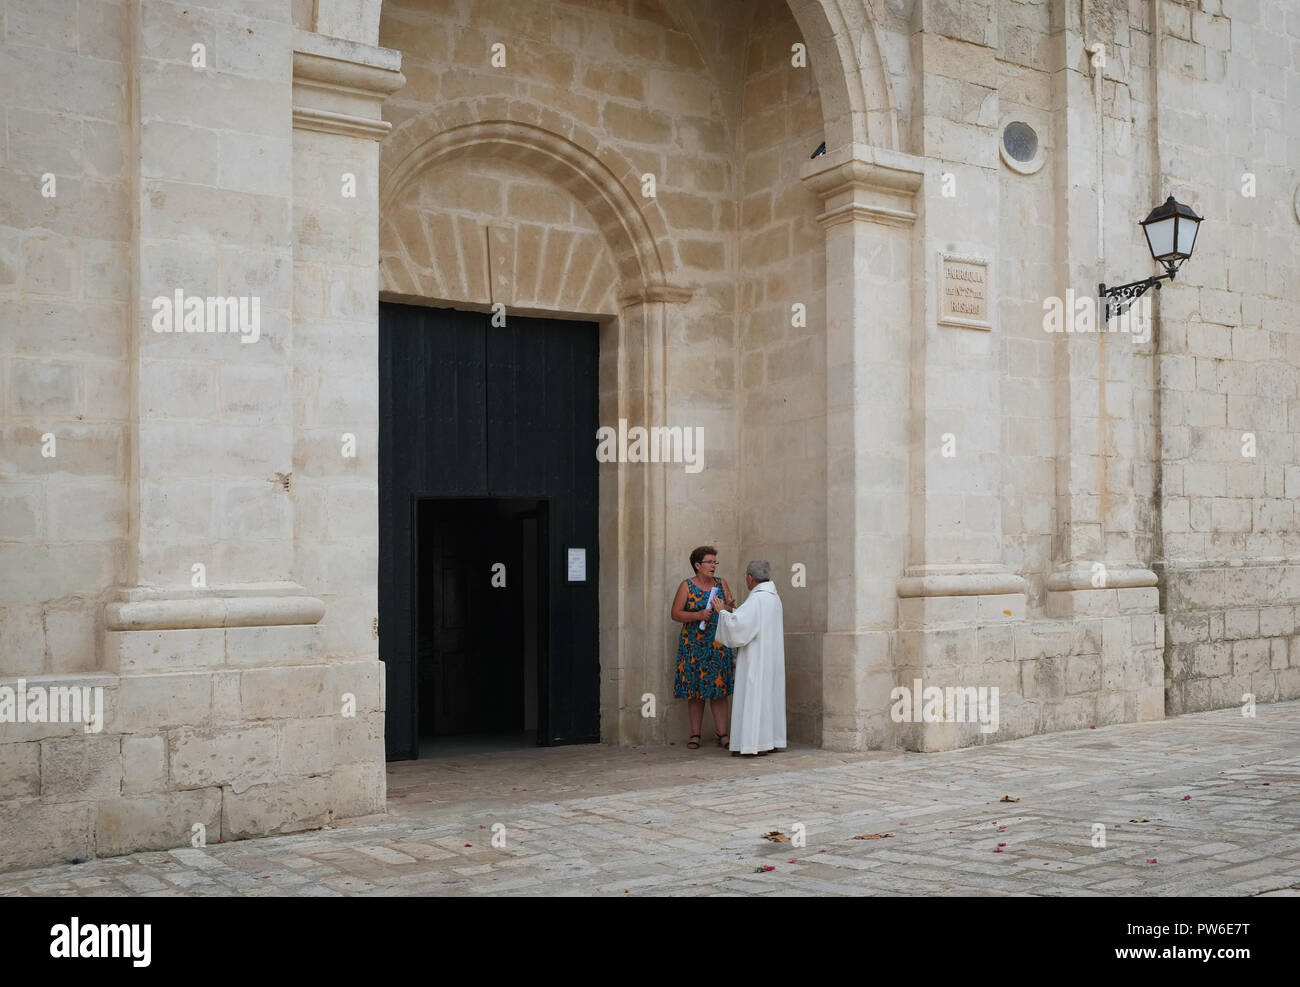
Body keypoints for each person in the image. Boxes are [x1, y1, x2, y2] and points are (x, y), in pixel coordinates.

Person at [712, 559, 786, 756]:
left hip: (756, 658)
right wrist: (731, 612)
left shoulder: (757, 599)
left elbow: (740, 628)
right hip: (769, 657)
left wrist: (721, 612)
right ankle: (768, 740)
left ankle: (754, 744)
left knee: (754, 697)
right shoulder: (773, 597)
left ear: (750, 578)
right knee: (767, 698)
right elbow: (750, 620)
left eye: (746, 575)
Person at [670, 545, 737, 749]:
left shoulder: (721, 583)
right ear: (697, 565)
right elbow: (675, 613)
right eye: (709, 562)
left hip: (717, 643)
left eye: (715, 562)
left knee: (719, 691)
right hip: (694, 645)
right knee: (695, 691)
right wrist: (698, 615)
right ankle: (695, 734)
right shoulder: (687, 586)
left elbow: (731, 609)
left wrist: (726, 606)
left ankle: (723, 734)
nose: (713, 566)